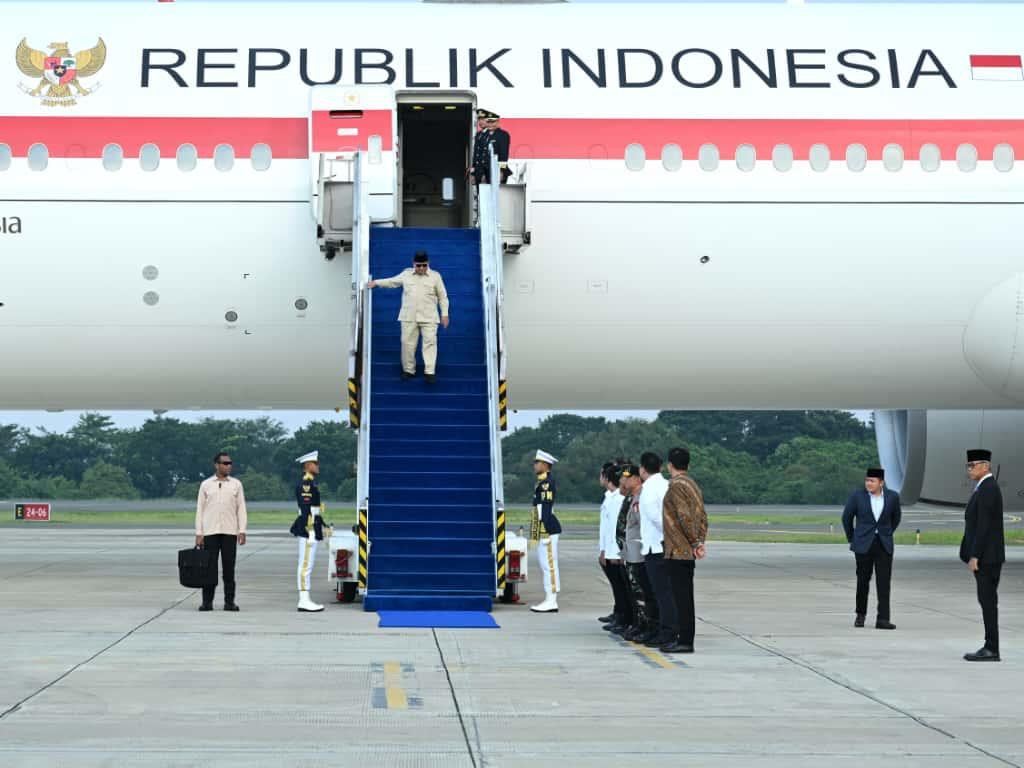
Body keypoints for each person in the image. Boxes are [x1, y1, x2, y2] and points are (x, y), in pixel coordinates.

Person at [368, 250, 449, 383]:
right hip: (408, 316)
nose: (421, 268)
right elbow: (392, 282)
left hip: (429, 317)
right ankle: (409, 370)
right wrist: (376, 282)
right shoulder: (406, 274)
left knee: (430, 343)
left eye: (424, 265)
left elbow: (443, 297)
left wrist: (445, 314)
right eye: (418, 265)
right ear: (413, 264)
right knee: (407, 344)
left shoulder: (435, 276)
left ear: (428, 264)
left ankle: (430, 372)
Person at [841, 467, 902, 630]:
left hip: (883, 544)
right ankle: (860, 615)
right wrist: (852, 538)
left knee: (884, 582)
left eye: (872, 481)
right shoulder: (857, 496)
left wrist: (886, 533)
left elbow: (896, 518)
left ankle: (883, 619)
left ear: (881, 482)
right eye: (867, 480)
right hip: (863, 544)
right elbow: (846, 517)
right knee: (863, 580)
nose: (868, 483)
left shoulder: (892, 497)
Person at [660, 447, 708, 653]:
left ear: (670, 465)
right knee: (684, 596)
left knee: (682, 598)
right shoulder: (693, 485)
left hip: (678, 551)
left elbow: (684, 517)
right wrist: (699, 541)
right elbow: (703, 517)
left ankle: (685, 641)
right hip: (686, 549)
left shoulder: (676, 486)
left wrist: (695, 542)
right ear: (688, 465)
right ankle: (684, 638)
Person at [960, 449, 1006, 662]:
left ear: (985, 466)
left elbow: (984, 525)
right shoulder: (983, 487)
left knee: (987, 601)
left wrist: (975, 555)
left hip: (987, 557)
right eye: (968, 465)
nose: (970, 469)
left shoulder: (987, 488)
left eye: (973, 465)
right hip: (987, 555)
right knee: (986, 600)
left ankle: (991, 648)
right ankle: (991, 646)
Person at [195, 452, 248, 612]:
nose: (228, 466)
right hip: (210, 532)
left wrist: (242, 530)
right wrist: (199, 532)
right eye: (225, 463)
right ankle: (207, 602)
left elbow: (241, 508)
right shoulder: (206, 484)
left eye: (230, 463)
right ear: (216, 465)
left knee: (229, 569)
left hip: (229, 532)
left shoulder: (236, 484)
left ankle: (229, 602)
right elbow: (200, 510)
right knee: (209, 569)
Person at [638, 451, 673, 648]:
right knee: (665, 592)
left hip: (656, 546)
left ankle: (666, 632)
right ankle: (664, 630)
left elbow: (655, 518)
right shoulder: (666, 484)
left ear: (643, 469)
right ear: (660, 467)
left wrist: (668, 534)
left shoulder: (649, 489)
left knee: (661, 593)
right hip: (664, 545)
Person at [289, 450, 331, 613]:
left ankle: (305, 599)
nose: (318, 466)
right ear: (307, 465)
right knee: (305, 565)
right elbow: (306, 509)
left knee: (308, 564)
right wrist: (309, 530)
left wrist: (323, 525)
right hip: (308, 529)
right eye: (316, 463)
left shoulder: (311, 483)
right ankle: (304, 600)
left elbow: (315, 510)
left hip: (312, 526)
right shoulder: (306, 484)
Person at [618, 462, 649, 641]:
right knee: (635, 592)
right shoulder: (633, 497)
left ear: (637, 479)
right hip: (632, 552)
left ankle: (644, 625)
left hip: (639, 553)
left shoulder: (641, 497)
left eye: (626, 477)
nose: (623, 480)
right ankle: (639, 624)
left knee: (641, 593)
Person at [598, 462, 630, 634]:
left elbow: (616, 529)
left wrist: (613, 552)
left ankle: (624, 618)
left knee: (623, 589)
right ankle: (620, 615)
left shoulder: (618, 499)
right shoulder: (610, 497)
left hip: (616, 551)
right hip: (609, 550)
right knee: (618, 588)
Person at [529, 449, 562, 613]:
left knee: (549, 565)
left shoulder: (546, 483)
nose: (534, 465)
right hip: (544, 529)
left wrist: (544, 532)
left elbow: (545, 510)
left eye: (537, 462)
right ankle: (549, 598)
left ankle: (551, 600)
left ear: (545, 465)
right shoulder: (541, 483)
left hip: (547, 529)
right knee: (545, 565)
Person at [470, 109, 511, 184]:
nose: (481, 122)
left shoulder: (502, 134)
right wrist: (474, 170)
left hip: (495, 170)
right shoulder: (481, 135)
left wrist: (501, 170)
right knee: (481, 194)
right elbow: (477, 154)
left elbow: (503, 155)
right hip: (482, 171)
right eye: (479, 119)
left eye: (483, 119)